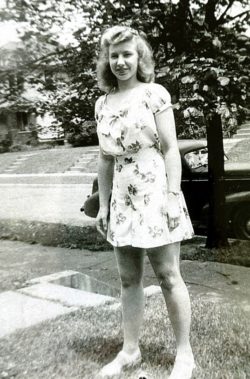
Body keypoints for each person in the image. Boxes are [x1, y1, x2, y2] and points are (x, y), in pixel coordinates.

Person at [95, 25, 195, 379]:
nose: (121, 61)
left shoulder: (155, 94)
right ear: (107, 61)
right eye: (115, 55)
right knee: (127, 278)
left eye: (127, 54)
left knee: (168, 275)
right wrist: (104, 206)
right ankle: (131, 351)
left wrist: (171, 196)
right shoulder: (102, 103)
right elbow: (105, 159)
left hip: (155, 191)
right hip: (122, 196)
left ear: (140, 58)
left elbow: (170, 149)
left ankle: (184, 355)